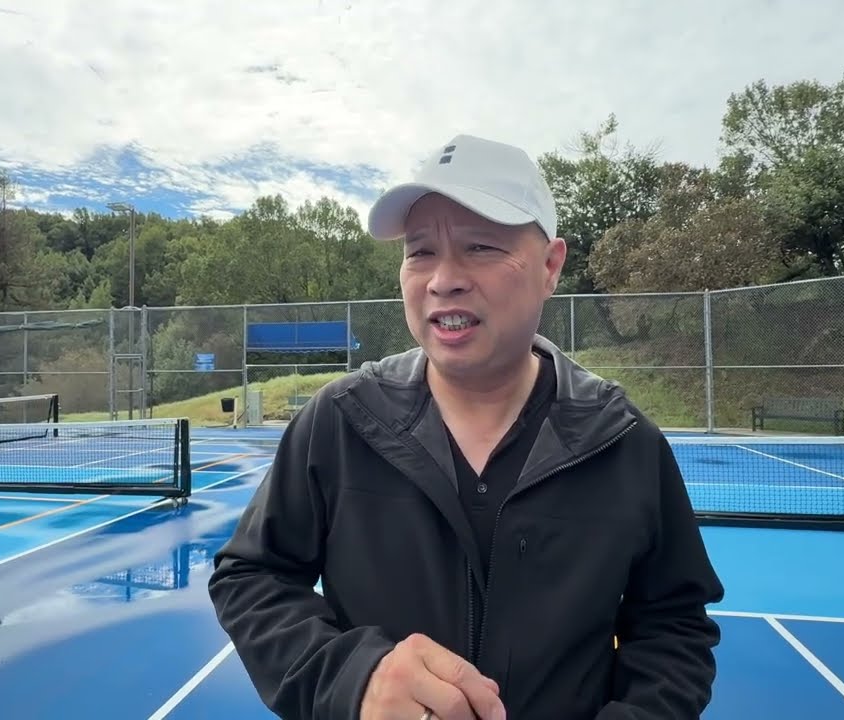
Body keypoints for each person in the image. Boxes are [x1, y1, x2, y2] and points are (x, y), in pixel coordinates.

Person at [207, 134, 725, 720]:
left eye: (480, 246)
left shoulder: (625, 443)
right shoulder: (339, 421)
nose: (443, 279)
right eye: (421, 251)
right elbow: (252, 577)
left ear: (550, 265)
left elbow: (674, 626)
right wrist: (354, 679)